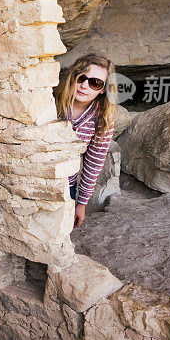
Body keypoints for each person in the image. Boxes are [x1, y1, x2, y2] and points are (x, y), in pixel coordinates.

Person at [54, 53, 117, 228]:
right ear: (72, 78)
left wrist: (81, 204)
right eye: (81, 78)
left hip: (67, 187)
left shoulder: (102, 118)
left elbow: (93, 164)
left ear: (103, 89)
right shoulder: (51, 102)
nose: (84, 86)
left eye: (95, 83)